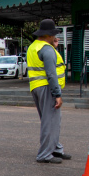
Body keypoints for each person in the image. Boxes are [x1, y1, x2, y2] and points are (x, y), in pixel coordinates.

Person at [27, 19, 70, 164]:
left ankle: (56, 149)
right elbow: (51, 74)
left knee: (50, 120)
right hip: (47, 88)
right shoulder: (46, 49)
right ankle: (45, 154)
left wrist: (54, 47)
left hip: (36, 87)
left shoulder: (34, 46)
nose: (55, 38)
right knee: (50, 121)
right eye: (53, 35)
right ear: (48, 35)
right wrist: (57, 94)